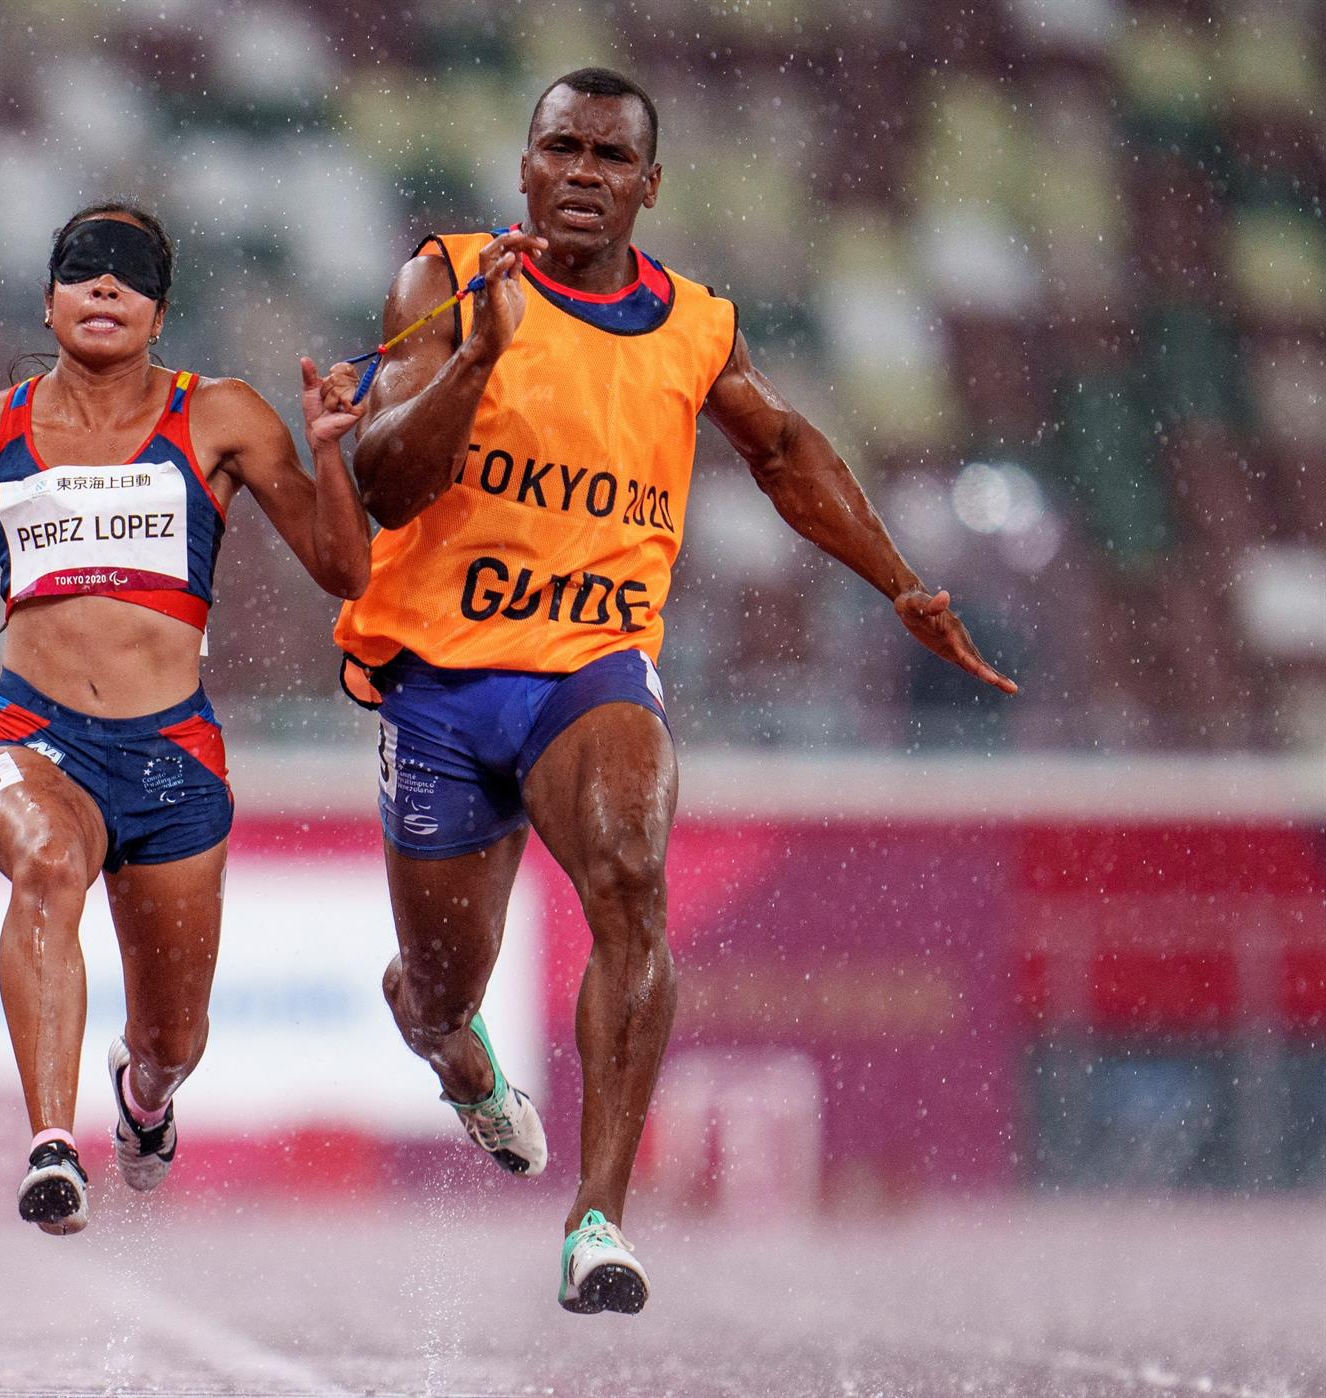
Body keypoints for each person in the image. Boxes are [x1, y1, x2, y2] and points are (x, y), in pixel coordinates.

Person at [334, 68, 1016, 1312]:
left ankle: (597, 1218)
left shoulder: (698, 324)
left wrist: (901, 584)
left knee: (631, 881)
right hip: (439, 679)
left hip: (592, 665)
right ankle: (462, 1060)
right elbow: (381, 482)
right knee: (437, 991)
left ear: (652, 186)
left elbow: (788, 453)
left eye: (610, 156)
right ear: (525, 166)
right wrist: (476, 363)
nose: (583, 174)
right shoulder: (446, 280)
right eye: (562, 148)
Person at [0, 202, 370, 1235]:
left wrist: (332, 453)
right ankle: (52, 1145)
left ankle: (145, 1091)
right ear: (47, 300)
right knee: (47, 866)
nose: (105, 288)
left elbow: (344, 570)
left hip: (169, 753)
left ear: (160, 312)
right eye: (84, 272)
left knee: (177, 1035)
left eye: (130, 275)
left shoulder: (222, 418)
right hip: (29, 736)